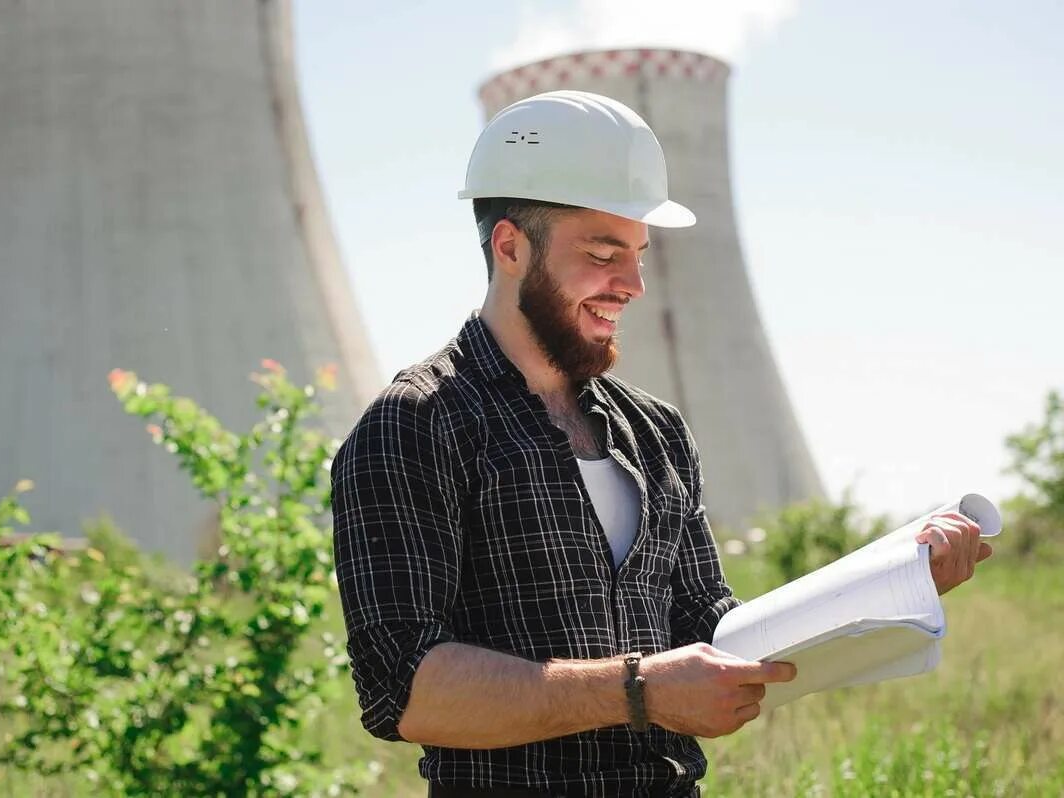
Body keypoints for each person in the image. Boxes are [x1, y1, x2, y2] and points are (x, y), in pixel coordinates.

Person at [330, 90, 990, 798]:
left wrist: (891, 581)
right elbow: (403, 689)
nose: (634, 285)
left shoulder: (658, 432)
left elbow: (715, 629)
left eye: (640, 255)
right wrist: (639, 690)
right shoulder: (415, 424)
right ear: (511, 246)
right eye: (605, 253)